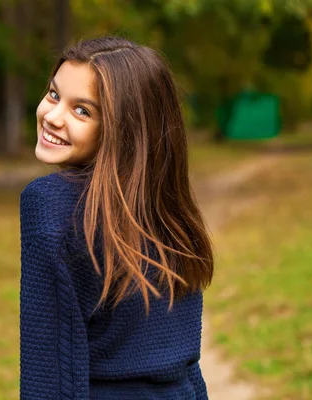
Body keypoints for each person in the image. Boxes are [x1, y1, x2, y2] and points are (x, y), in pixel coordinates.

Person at [19, 36, 214, 400]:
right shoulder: (171, 213)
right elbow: (187, 366)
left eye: (83, 111)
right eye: (54, 94)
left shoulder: (50, 204)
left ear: (122, 129)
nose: (53, 116)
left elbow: (47, 372)